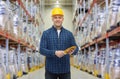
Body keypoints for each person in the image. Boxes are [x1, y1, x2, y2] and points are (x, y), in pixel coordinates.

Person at [40, 7, 78, 79]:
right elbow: (42, 50)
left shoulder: (69, 34)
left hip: (65, 70)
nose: (57, 19)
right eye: (55, 17)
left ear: (63, 19)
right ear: (52, 19)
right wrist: (54, 52)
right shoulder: (46, 33)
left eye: (59, 17)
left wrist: (72, 51)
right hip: (50, 70)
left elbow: (75, 48)